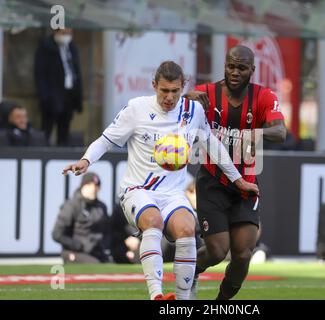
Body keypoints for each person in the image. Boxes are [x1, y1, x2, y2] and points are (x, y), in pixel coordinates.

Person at [62, 61, 259, 300]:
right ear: (154, 85)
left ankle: (182, 300)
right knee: (152, 220)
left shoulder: (192, 111)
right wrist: (86, 160)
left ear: (182, 87)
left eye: (175, 91)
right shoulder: (136, 109)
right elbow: (105, 140)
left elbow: (213, 146)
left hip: (173, 193)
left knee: (187, 228)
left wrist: (238, 180)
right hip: (137, 189)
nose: (169, 97)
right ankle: (156, 295)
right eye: (164, 91)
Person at [184, 45, 286, 300]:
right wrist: (188, 98)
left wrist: (257, 132)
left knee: (242, 254)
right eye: (231, 66)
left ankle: (220, 304)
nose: (235, 72)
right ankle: (191, 270)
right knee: (218, 252)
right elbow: (175, 104)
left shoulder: (263, 97)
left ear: (252, 70)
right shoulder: (207, 93)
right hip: (212, 181)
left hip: (246, 185)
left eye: (241, 68)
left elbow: (281, 131)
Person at [34, 28, 83, 146]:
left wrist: (78, 98)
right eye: (63, 33)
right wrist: (45, 97)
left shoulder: (71, 48)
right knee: (47, 128)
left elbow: (77, 72)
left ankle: (62, 150)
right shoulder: (45, 48)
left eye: (69, 33)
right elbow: (40, 75)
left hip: (69, 95)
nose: (67, 36)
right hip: (52, 96)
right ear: (55, 32)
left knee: (64, 128)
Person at [52, 172, 111, 263]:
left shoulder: (101, 207)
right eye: (89, 185)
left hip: (96, 251)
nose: (93, 189)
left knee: (111, 268)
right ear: (82, 186)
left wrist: (102, 244)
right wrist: (78, 245)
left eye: (96, 186)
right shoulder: (71, 205)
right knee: (96, 265)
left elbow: (108, 231)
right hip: (75, 251)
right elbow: (57, 234)